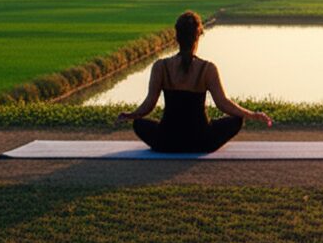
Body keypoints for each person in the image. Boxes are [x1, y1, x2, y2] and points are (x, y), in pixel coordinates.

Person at [116, 11, 273, 152]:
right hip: (202, 141)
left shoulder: (161, 67)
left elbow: (149, 104)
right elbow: (223, 103)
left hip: (167, 140)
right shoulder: (207, 68)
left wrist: (131, 115)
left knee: (138, 124)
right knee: (237, 120)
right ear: (197, 37)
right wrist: (252, 115)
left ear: (177, 37)